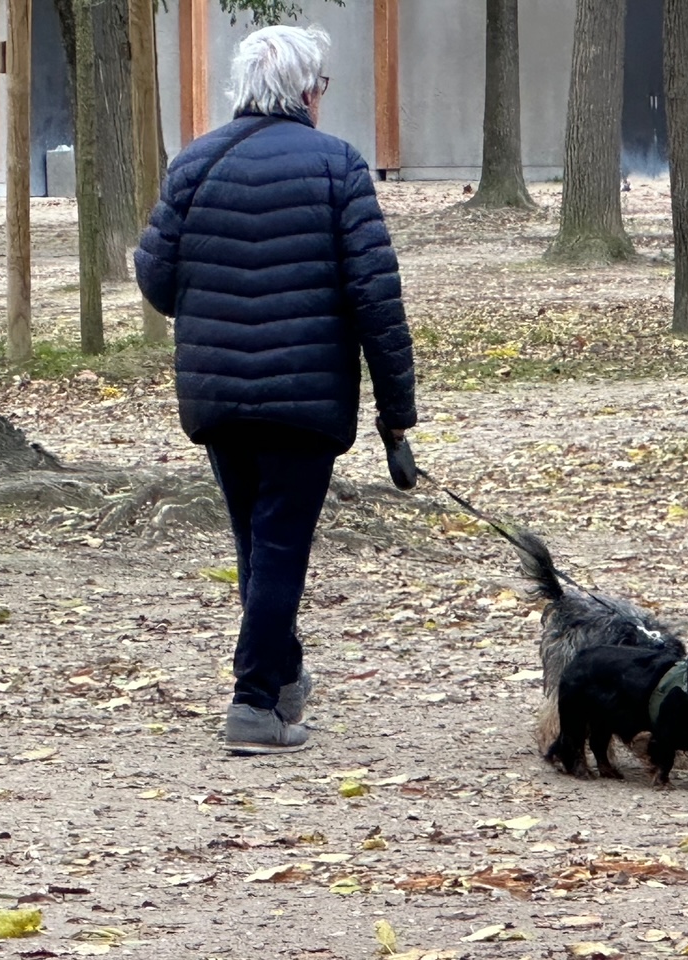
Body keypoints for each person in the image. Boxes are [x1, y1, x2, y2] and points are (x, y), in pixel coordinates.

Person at [135, 25, 417, 752]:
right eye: (322, 86)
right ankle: (255, 703)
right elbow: (375, 299)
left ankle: (282, 678)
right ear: (306, 91)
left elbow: (158, 281)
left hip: (218, 395)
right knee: (279, 550)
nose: (323, 98)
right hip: (305, 398)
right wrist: (397, 417)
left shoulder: (194, 164)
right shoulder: (339, 167)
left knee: (258, 547)